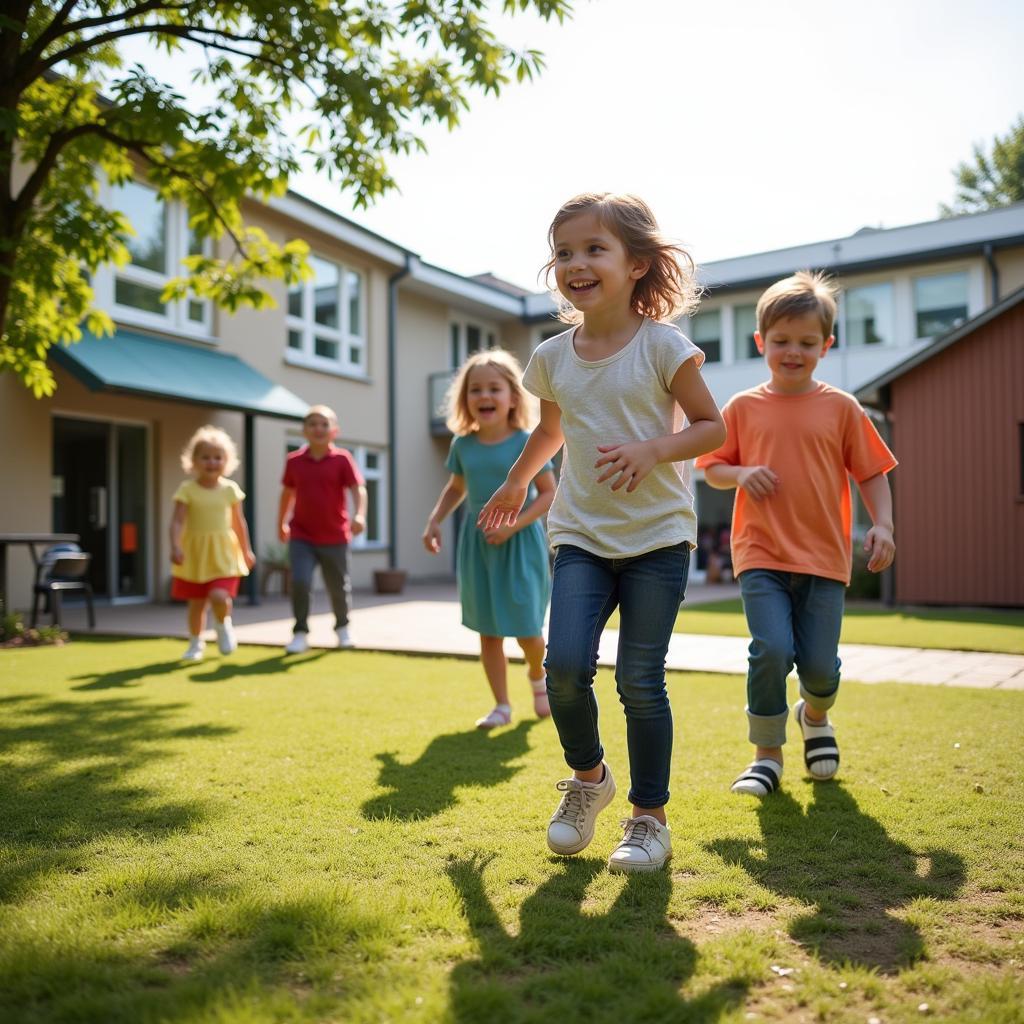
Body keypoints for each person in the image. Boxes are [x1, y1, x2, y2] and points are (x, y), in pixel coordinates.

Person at [478, 193, 726, 873]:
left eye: (594, 249)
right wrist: (517, 479)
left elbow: (713, 428)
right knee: (563, 670)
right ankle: (589, 782)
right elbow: (551, 431)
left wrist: (654, 448)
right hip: (581, 535)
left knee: (641, 681)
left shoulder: (664, 345)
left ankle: (649, 820)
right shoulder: (552, 356)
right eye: (564, 252)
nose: (576, 263)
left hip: (657, 539)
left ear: (637, 263)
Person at [695, 271, 897, 798]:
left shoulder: (843, 408)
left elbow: (872, 472)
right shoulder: (741, 407)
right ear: (761, 342)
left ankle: (815, 714)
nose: (792, 351)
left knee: (819, 668)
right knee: (769, 648)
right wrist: (740, 474)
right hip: (760, 552)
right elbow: (711, 467)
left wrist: (884, 525)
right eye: (781, 341)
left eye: (806, 342)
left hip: (825, 559)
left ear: (826, 346)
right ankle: (766, 756)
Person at [423, 349, 556, 729]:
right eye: (475, 389)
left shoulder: (527, 442)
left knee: (529, 631)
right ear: (465, 398)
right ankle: (501, 706)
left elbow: (549, 493)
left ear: (513, 396)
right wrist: (434, 521)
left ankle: (537, 677)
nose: (484, 396)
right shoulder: (461, 445)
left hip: (520, 546)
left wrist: (513, 525)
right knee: (489, 632)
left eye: (494, 389)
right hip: (478, 547)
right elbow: (455, 488)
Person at [278, 405, 367, 653]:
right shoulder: (294, 461)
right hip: (301, 535)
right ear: (304, 431)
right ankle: (300, 632)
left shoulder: (342, 459)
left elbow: (358, 489)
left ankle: (342, 628)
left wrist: (359, 514)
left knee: (338, 585)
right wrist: (282, 522)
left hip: (335, 535)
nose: (319, 428)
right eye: (313, 424)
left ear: (334, 431)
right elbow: (287, 493)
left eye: (324, 424)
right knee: (300, 581)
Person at [170, 425, 256, 662]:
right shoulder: (187, 490)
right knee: (196, 604)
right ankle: (196, 643)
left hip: (224, 553)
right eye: (205, 457)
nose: (211, 462)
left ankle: (222, 624)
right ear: (194, 460)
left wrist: (246, 550)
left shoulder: (230, 490)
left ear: (226, 461)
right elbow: (177, 522)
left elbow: (239, 523)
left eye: (217, 457)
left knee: (219, 596)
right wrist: (175, 546)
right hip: (195, 553)